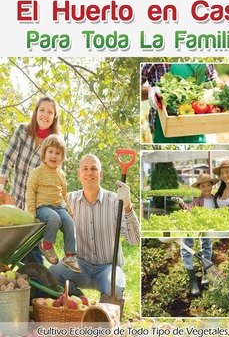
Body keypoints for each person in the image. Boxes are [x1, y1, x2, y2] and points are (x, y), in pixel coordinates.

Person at [49, 153, 140, 299]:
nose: (89, 173)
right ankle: (79, 300)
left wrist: (128, 206)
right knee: (53, 274)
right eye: (85, 169)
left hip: (108, 267)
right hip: (80, 266)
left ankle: (101, 315)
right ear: (79, 174)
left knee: (115, 289)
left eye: (93, 169)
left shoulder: (116, 202)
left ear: (100, 174)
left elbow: (135, 240)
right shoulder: (69, 201)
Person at [0, 96, 60, 264]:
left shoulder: (54, 143)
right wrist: (1, 186)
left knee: (31, 249)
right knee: (8, 245)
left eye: (50, 112)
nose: (45, 115)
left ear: (54, 117)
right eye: (42, 110)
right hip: (14, 199)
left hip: (35, 205)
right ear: (36, 112)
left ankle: (36, 285)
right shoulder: (22, 131)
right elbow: (8, 160)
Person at [26, 134, 81, 273]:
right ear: (44, 154)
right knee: (54, 218)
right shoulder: (37, 172)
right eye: (50, 152)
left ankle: (70, 256)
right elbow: (30, 192)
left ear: (62, 158)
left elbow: (63, 195)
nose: (54, 155)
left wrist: (69, 211)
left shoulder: (60, 174)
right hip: (42, 208)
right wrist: (31, 212)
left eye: (58, 153)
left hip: (58, 207)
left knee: (69, 222)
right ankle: (47, 245)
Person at [141, 63, 223, 144]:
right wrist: (149, 91)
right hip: (164, 128)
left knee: (198, 156)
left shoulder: (203, 56)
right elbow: (131, 90)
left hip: (199, 126)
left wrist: (224, 86)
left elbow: (213, 79)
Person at [172, 173, 219, 296]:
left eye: (208, 185)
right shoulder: (197, 201)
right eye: (203, 186)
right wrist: (182, 204)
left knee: (207, 246)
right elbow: (189, 210)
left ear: (212, 186)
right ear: (199, 188)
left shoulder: (217, 200)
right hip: (195, 227)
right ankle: (193, 281)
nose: (206, 188)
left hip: (209, 229)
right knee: (187, 247)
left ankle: (206, 275)